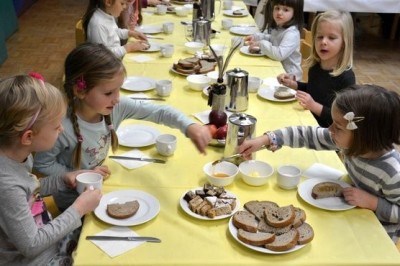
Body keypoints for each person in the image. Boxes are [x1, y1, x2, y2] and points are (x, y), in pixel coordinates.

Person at [33, 43, 212, 211]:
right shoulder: (60, 128)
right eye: (109, 92)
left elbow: (159, 112)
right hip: (73, 204)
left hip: (100, 188)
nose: (117, 98)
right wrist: (79, 175)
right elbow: (42, 164)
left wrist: (188, 125)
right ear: (80, 91)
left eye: (119, 89)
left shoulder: (114, 108)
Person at [239, 84, 400, 243]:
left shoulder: (393, 172)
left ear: (364, 136)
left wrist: (373, 202)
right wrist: (266, 139)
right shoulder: (350, 141)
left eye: (337, 127)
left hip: (376, 235)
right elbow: (307, 135)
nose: (330, 130)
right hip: (353, 212)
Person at [0, 74, 102, 265]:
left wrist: (62, 180)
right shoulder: (6, 185)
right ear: (28, 136)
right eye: (56, 127)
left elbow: (29, 190)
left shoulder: (19, 156)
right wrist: (78, 209)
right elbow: (31, 245)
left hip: (47, 245)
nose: (62, 130)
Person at [278, 10, 356, 127]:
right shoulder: (315, 67)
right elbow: (313, 90)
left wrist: (313, 106)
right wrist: (294, 84)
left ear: (344, 43)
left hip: (327, 134)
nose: (323, 42)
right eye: (319, 37)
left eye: (331, 38)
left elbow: (343, 119)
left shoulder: (346, 77)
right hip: (307, 121)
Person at [244, 0, 304, 80]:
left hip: (289, 77)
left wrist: (260, 44)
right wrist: (256, 37)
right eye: (277, 8)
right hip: (277, 69)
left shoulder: (292, 34)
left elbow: (279, 54)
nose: (279, 12)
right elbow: (272, 39)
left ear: (295, 13)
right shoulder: (280, 26)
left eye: (285, 10)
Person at [82, 0, 149, 59]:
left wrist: (130, 33)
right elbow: (102, 55)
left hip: (114, 62)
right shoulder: (98, 24)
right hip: (105, 69)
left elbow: (115, 32)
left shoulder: (108, 15)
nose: (125, 7)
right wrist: (128, 47)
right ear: (108, 2)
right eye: (122, 3)